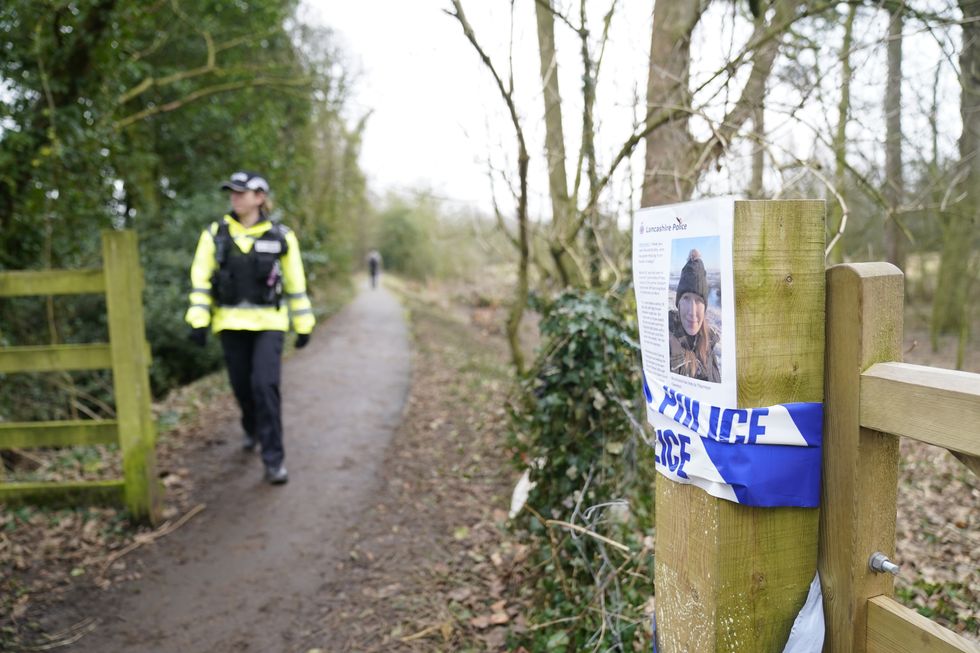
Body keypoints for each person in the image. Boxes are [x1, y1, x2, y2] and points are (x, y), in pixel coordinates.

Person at [185, 171, 315, 485]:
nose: (235, 198)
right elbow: (201, 281)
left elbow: (296, 285)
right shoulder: (215, 235)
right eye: (232, 192)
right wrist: (198, 321)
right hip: (229, 324)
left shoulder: (281, 237)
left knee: (265, 386)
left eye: (241, 193)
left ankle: (274, 460)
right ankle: (251, 426)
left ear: (259, 197)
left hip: (270, 324)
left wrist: (304, 324)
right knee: (242, 387)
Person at [668, 249, 721, 383]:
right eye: (686, 298)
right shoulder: (668, 343)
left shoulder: (709, 343)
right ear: (678, 303)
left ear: (705, 306)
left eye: (698, 300)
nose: (692, 311)